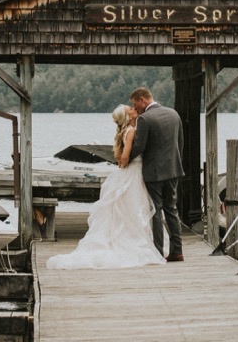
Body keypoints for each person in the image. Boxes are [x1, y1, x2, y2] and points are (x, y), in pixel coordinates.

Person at [45, 104, 166, 269]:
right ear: (127, 115)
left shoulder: (124, 131)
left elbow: (118, 156)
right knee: (134, 208)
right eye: (129, 108)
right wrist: (130, 160)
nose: (133, 108)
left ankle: (134, 238)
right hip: (133, 174)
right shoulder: (131, 131)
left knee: (130, 209)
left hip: (132, 173)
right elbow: (123, 159)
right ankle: (133, 241)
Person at [129, 86, 184, 261]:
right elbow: (180, 142)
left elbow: (139, 146)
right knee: (172, 209)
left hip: (154, 172)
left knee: (156, 211)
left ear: (142, 100)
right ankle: (177, 251)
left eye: (135, 104)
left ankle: (158, 252)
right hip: (173, 169)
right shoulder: (174, 114)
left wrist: (124, 160)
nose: (135, 108)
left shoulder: (145, 119)